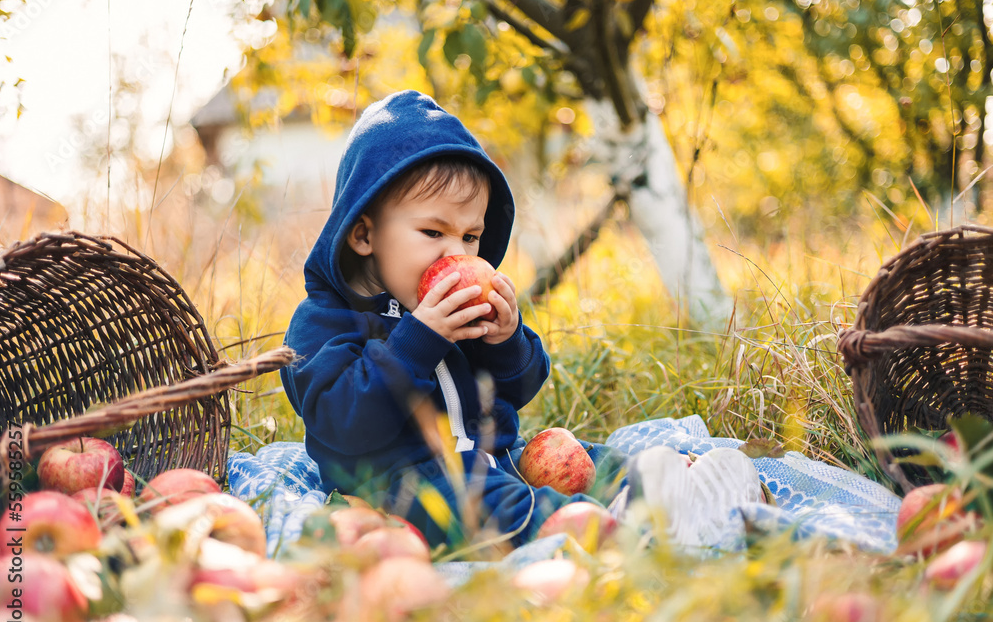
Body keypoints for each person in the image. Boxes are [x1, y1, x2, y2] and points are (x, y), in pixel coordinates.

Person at [280, 89, 763, 550]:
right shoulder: (324, 323)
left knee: (582, 456)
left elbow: (519, 386)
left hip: (501, 457)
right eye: (433, 231)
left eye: (471, 237)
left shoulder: (459, 303)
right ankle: (617, 524)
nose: (457, 252)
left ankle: (677, 485)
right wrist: (418, 340)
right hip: (407, 486)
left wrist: (506, 339)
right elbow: (341, 423)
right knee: (485, 504)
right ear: (363, 235)